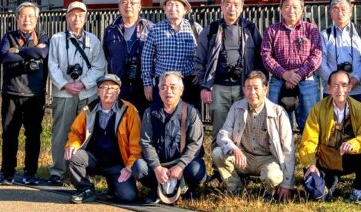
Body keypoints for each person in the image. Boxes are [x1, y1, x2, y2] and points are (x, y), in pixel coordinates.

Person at [194, 0, 265, 144]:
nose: (232, 8)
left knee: (244, 129)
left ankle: (241, 159)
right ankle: (218, 159)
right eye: (228, 4)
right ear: (221, 6)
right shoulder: (211, 29)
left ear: (242, 7)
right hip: (218, 87)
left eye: (236, 4)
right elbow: (199, 60)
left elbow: (260, 59)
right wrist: (204, 87)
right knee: (220, 129)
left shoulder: (250, 29)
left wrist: (259, 85)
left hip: (244, 86)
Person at [48, 1, 106, 185]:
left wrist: (83, 83)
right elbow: (52, 66)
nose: (77, 18)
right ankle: (57, 170)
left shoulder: (93, 40)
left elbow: (99, 66)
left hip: (87, 93)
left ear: (86, 18)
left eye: (81, 15)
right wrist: (65, 84)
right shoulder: (57, 39)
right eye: (73, 15)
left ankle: (80, 170)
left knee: (86, 132)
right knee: (61, 132)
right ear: (67, 17)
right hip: (64, 93)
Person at [212, 71, 294, 202]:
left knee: (272, 176)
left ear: (265, 90)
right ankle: (236, 189)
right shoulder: (236, 107)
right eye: (248, 88)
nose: (252, 92)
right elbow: (223, 134)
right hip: (244, 156)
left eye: (256, 88)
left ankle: (269, 192)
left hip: (267, 158)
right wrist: (234, 149)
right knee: (217, 153)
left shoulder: (278, 112)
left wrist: (287, 184)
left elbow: (288, 150)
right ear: (243, 90)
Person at [299, 70, 361, 203]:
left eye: (344, 85)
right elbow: (309, 140)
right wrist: (310, 163)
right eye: (335, 85)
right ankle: (329, 182)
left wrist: (353, 144)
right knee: (318, 195)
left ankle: (359, 188)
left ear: (350, 87)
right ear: (328, 88)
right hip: (325, 160)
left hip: (349, 158)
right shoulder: (318, 109)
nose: (340, 90)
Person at [64, 74, 141, 204]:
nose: (108, 91)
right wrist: (73, 144)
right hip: (93, 159)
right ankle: (86, 189)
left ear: (118, 91)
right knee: (73, 155)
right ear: (98, 91)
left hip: (117, 164)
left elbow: (136, 144)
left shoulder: (129, 111)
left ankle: (113, 186)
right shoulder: (88, 110)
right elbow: (76, 133)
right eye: (104, 87)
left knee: (128, 196)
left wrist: (129, 166)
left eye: (113, 88)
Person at [132, 71, 206, 204]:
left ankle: (189, 189)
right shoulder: (150, 112)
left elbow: (195, 144)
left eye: (173, 87)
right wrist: (157, 168)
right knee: (139, 167)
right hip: (159, 164)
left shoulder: (191, 112)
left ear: (181, 91)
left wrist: (180, 166)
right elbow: (146, 142)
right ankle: (155, 188)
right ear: (159, 91)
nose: (168, 91)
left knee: (196, 169)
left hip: (182, 163)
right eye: (164, 87)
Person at [0, 1, 50, 185]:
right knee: (9, 134)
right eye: (23, 16)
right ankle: (7, 173)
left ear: (37, 19)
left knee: (33, 135)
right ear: (17, 18)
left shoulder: (43, 37)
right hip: (11, 92)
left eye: (30, 16)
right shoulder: (9, 36)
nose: (26, 19)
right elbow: (4, 56)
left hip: (34, 94)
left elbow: (42, 54)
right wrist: (31, 51)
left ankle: (30, 173)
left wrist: (19, 50)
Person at [261, 0, 323, 132]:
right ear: (281, 9)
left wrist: (298, 75)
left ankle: (308, 147)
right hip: (279, 79)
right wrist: (285, 74)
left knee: (310, 124)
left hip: (307, 80)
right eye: (287, 7)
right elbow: (266, 56)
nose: (291, 11)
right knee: (279, 124)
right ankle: (284, 147)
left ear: (302, 9)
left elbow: (317, 55)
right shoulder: (272, 30)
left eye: (295, 7)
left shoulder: (311, 29)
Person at [141, 0, 202, 107]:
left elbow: (204, 55)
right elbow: (146, 57)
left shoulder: (195, 28)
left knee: (189, 115)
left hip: (188, 83)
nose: (173, 8)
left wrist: (200, 76)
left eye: (177, 5)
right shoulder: (156, 29)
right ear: (164, 9)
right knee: (162, 115)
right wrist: (147, 84)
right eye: (169, 5)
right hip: (163, 83)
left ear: (185, 9)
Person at [103, 0, 153, 115]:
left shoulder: (150, 28)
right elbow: (106, 55)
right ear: (119, 6)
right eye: (124, 2)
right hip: (119, 86)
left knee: (142, 121)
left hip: (143, 86)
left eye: (132, 3)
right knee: (120, 121)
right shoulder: (110, 30)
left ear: (139, 6)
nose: (128, 6)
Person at [318, 0, 361, 106]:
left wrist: (355, 79)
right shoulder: (324, 35)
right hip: (332, 91)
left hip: (358, 89)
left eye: (343, 9)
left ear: (351, 11)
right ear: (330, 12)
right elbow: (320, 62)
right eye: (335, 9)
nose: (339, 13)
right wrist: (335, 82)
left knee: (359, 117)